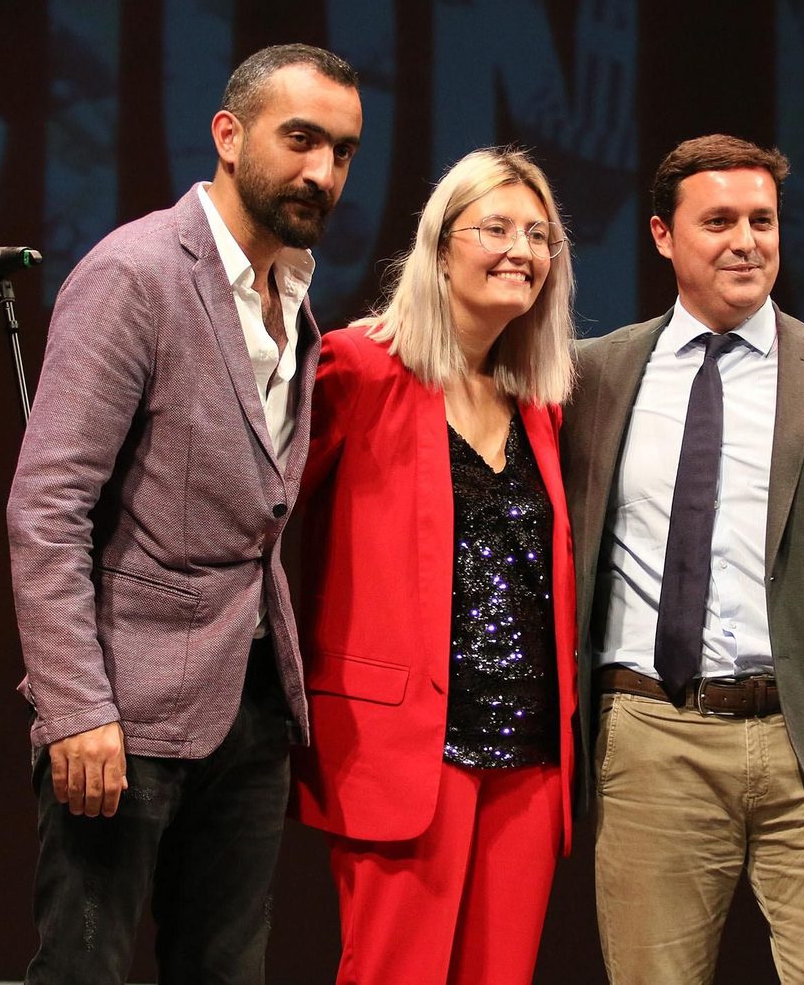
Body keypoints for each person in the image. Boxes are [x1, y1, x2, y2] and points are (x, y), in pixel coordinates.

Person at [5, 43, 363, 984]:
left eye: (342, 150)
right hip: (122, 705)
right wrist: (76, 707)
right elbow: (46, 506)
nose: (322, 171)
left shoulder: (295, 292)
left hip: (246, 705)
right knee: (85, 970)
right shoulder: (136, 274)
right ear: (229, 134)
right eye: (300, 140)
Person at [562, 134, 804, 984]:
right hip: (653, 737)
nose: (747, 240)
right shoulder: (595, 376)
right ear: (663, 235)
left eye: (763, 220)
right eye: (720, 220)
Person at [290, 147, 579, 985]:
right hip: (405, 750)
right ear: (441, 244)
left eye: (538, 234)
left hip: (527, 757)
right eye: (496, 227)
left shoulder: (542, 402)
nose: (520, 249)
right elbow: (257, 514)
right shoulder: (361, 368)